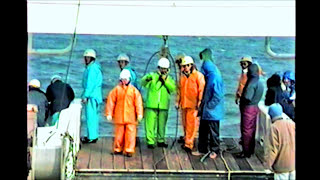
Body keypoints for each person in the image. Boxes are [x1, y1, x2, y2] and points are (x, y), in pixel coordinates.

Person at [192, 48, 224, 159]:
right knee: (203, 129)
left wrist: (210, 106)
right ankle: (202, 149)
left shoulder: (215, 76)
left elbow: (218, 95)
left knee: (213, 131)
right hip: (206, 108)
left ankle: (215, 150)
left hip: (213, 110)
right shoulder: (209, 75)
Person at [105, 69, 143, 157]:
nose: (124, 81)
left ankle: (129, 150)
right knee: (118, 135)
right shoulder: (116, 90)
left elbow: (138, 103)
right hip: (119, 117)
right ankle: (118, 149)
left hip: (131, 117)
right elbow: (111, 102)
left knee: (130, 134)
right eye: (122, 79)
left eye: (125, 79)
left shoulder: (134, 91)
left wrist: (139, 113)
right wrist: (109, 113)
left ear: (129, 79)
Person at [140, 57, 176, 149]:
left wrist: (165, 80)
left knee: (162, 125)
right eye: (161, 68)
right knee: (150, 124)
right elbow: (143, 83)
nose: (163, 71)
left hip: (163, 105)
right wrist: (147, 78)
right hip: (151, 104)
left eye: (165, 69)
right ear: (158, 68)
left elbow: (173, 89)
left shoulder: (170, 79)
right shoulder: (152, 76)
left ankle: (161, 140)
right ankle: (150, 141)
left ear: (168, 69)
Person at [176, 56, 205, 152]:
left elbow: (201, 91)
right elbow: (179, 91)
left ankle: (189, 144)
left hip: (194, 105)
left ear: (191, 65)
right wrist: (177, 102)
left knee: (191, 125)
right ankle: (186, 139)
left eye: (186, 66)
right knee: (184, 124)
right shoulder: (182, 77)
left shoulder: (198, 76)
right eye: (183, 66)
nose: (184, 68)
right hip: (184, 104)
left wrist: (200, 102)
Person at [238, 63, 264, 158]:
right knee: (252, 129)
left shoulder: (251, 83)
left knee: (246, 130)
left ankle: (246, 151)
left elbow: (247, 97)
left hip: (248, 108)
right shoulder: (259, 82)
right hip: (255, 107)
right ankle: (251, 149)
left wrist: (242, 99)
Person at [267, 103, 295, 180]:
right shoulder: (292, 124)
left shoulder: (274, 128)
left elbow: (273, 150)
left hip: (281, 167)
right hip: (293, 165)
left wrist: (267, 166)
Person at [81, 49, 103, 144]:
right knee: (93, 117)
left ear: (92, 59)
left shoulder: (92, 69)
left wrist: (85, 95)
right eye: (85, 58)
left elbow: (90, 84)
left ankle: (91, 137)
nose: (86, 59)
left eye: (88, 58)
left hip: (92, 97)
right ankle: (93, 135)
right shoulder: (93, 68)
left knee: (91, 117)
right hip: (95, 96)